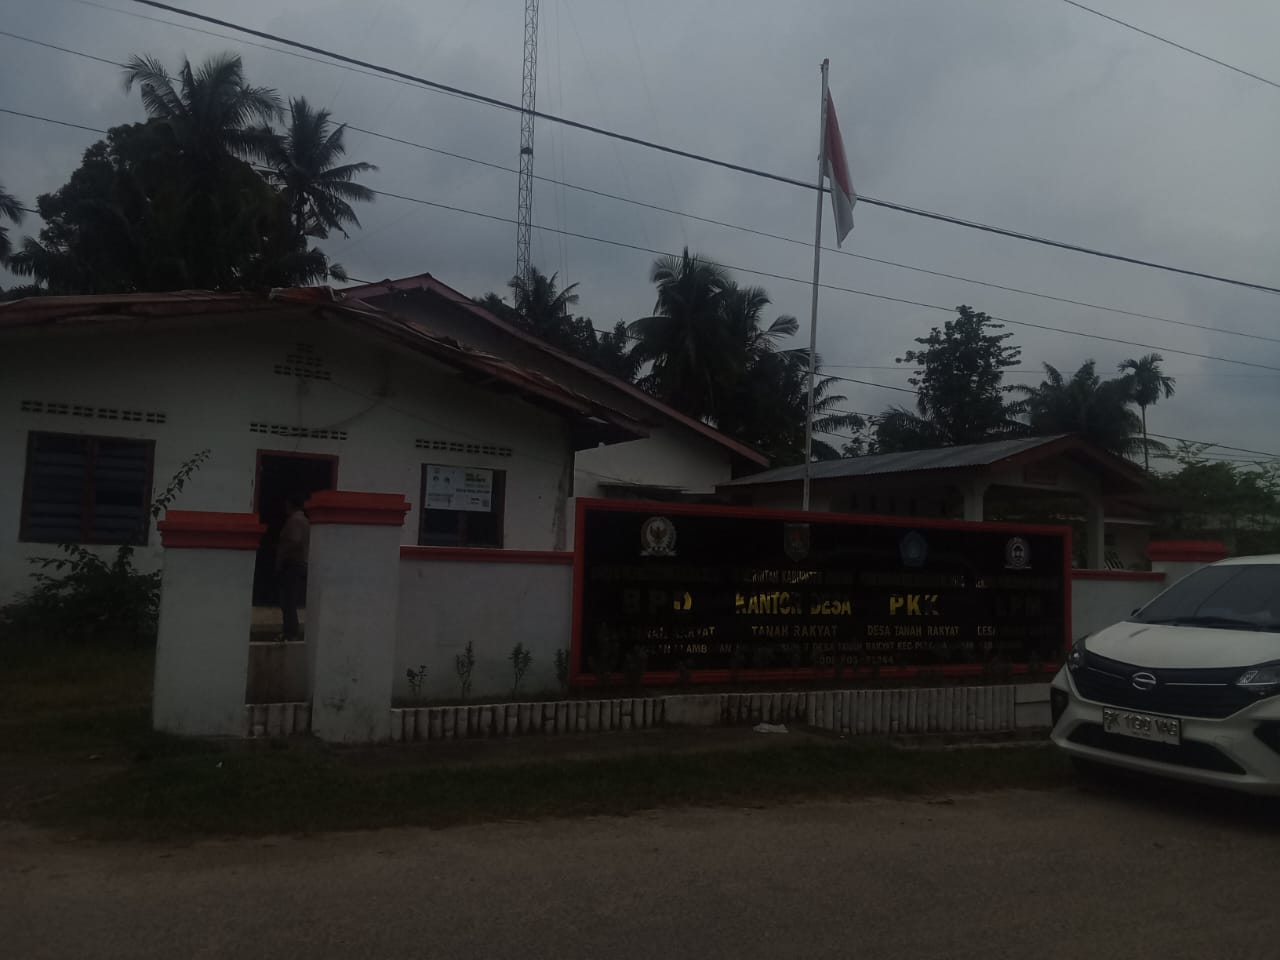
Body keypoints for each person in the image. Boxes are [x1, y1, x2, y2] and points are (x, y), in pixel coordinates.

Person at [275, 493, 310, 640]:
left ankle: (290, 632)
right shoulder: (304, 520)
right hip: (299, 563)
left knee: (288, 600)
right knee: (290, 599)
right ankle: (290, 631)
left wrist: (282, 553)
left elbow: (294, 540)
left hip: (292, 563)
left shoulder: (295, 521)